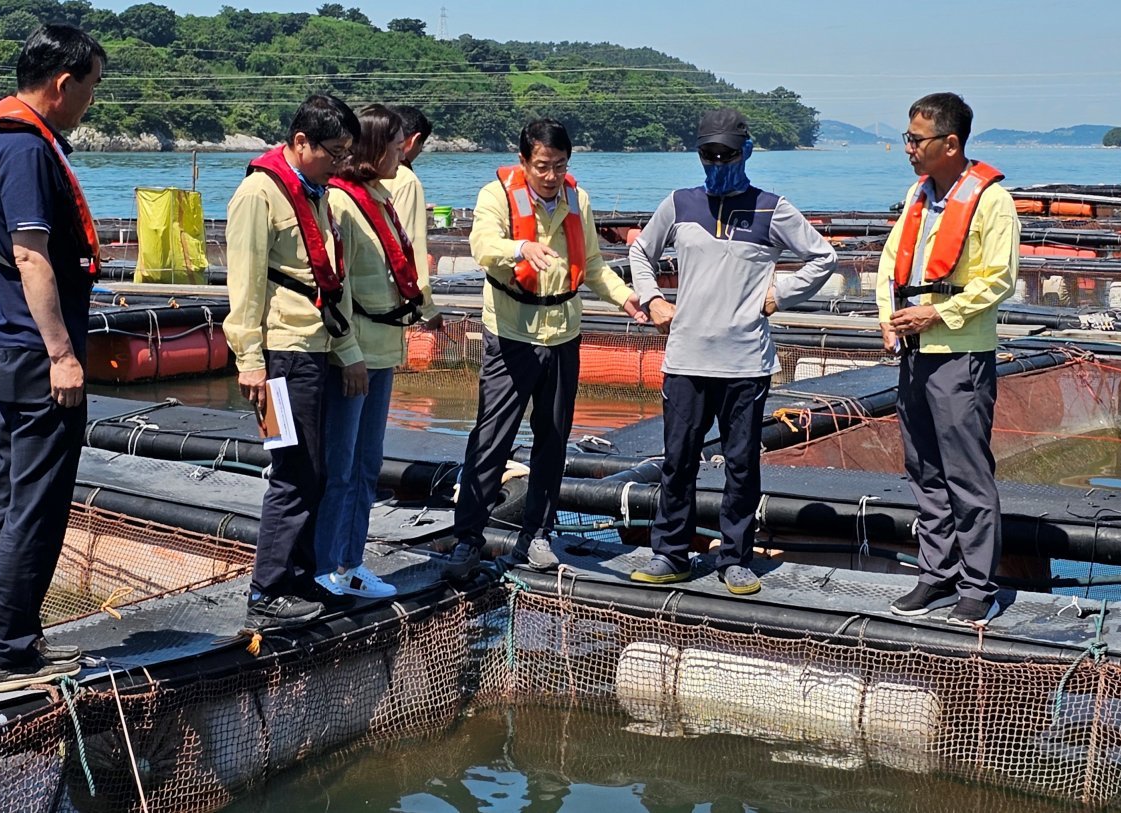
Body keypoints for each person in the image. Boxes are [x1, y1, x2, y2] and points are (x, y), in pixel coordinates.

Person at [627, 109, 837, 596]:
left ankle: (736, 557)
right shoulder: (680, 204)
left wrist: (780, 293)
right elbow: (641, 252)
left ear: (747, 152)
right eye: (709, 155)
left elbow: (823, 257)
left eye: (727, 154)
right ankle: (670, 553)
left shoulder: (771, 208)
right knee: (677, 460)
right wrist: (654, 298)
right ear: (699, 154)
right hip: (685, 359)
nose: (718, 163)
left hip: (746, 363)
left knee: (742, 463)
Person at [444, 118, 647, 580]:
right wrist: (521, 248)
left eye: (560, 165)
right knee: (491, 439)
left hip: (562, 333)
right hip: (513, 331)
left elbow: (592, 266)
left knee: (553, 439)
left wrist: (627, 298)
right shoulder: (495, 195)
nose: (551, 175)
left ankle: (537, 532)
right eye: (542, 166)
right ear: (523, 162)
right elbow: (482, 246)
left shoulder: (578, 199)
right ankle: (467, 538)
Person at [0, 23, 105, 693]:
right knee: (37, 502)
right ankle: (11, 650)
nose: (91, 101)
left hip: (6, 341)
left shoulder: (0, 137)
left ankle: (6, 634)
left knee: (12, 491)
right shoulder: (25, 150)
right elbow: (29, 253)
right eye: (91, 87)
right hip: (33, 347)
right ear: (63, 84)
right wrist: (62, 354)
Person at [876, 93, 1018, 626]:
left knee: (967, 471)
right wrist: (888, 318)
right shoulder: (918, 194)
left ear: (950, 143)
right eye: (908, 138)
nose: (908, 148)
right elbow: (893, 263)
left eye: (916, 140)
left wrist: (936, 315)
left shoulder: (991, 201)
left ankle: (978, 585)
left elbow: (997, 280)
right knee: (923, 467)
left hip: (960, 352)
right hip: (913, 351)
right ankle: (935, 574)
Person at [223, 93, 361, 629]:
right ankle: (268, 588)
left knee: (317, 471)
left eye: (347, 152)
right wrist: (249, 361)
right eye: (334, 152)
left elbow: (329, 282)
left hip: (314, 350)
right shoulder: (259, 193)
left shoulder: (316, 191)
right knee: (292, 471)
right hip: (279, 357)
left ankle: (298, 577)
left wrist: (346, 351)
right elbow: (245, 284)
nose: (341, 163)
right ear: (300, 143)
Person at [317, 104, 434, 597]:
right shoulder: (341, 203)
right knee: (338, 466)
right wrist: (348, 353)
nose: (399, 152)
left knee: (366, 465)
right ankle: (324, 569)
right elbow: (336, 286)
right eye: (391, 144)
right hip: (357, 351)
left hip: (385, 348)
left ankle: (351, 562)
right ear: (370, 149)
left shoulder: (382, 195)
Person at [382, 104, 441, 329]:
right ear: (414, 140)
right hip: (391, 305)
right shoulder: (406, 179)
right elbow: (410, 246)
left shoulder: (351, 173)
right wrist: (427, 309)